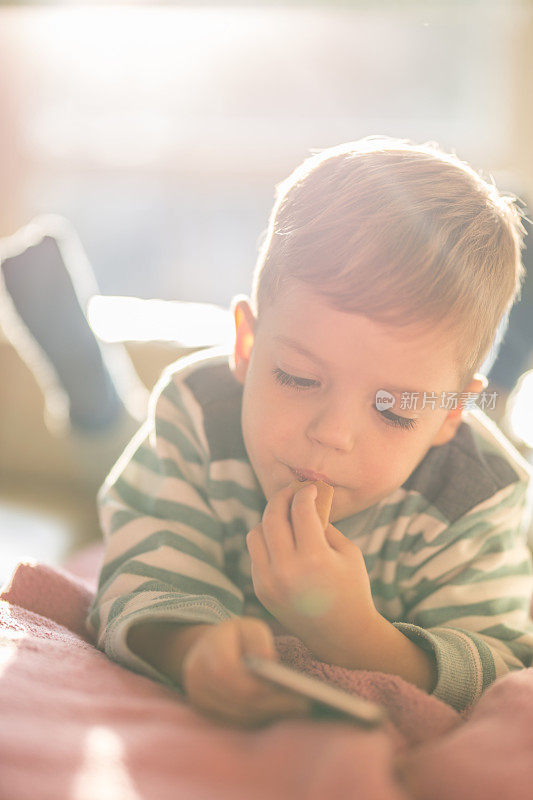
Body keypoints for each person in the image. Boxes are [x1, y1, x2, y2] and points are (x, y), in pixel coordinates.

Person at [86, 136, 533, 727]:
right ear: (246, 344)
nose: (333, 434)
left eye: (395, 409)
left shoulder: (476, 495)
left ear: (451, 412)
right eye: (297, 378)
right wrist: (190, 648)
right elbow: (142, 565)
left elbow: (502, 672)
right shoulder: (197, 414)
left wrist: (360, 639)